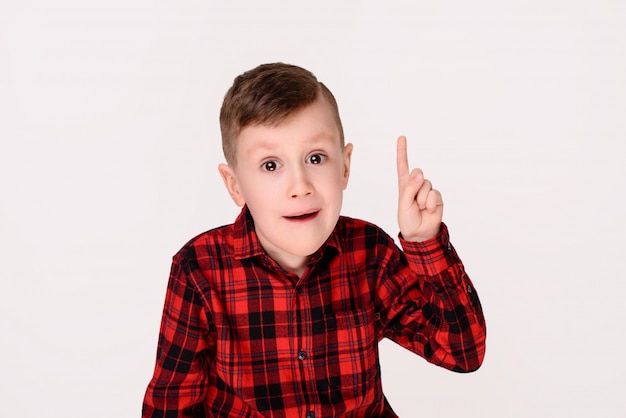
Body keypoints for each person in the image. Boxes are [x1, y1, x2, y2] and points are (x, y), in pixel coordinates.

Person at [142, 62, 486, 418]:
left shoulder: (370, 254)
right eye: (271, 165)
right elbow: (171, 406)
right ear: (235, 185)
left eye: (315, 158)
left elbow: (462, 352)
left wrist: (423, 242)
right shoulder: (199, 270)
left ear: (345, 167)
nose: (301, 186)